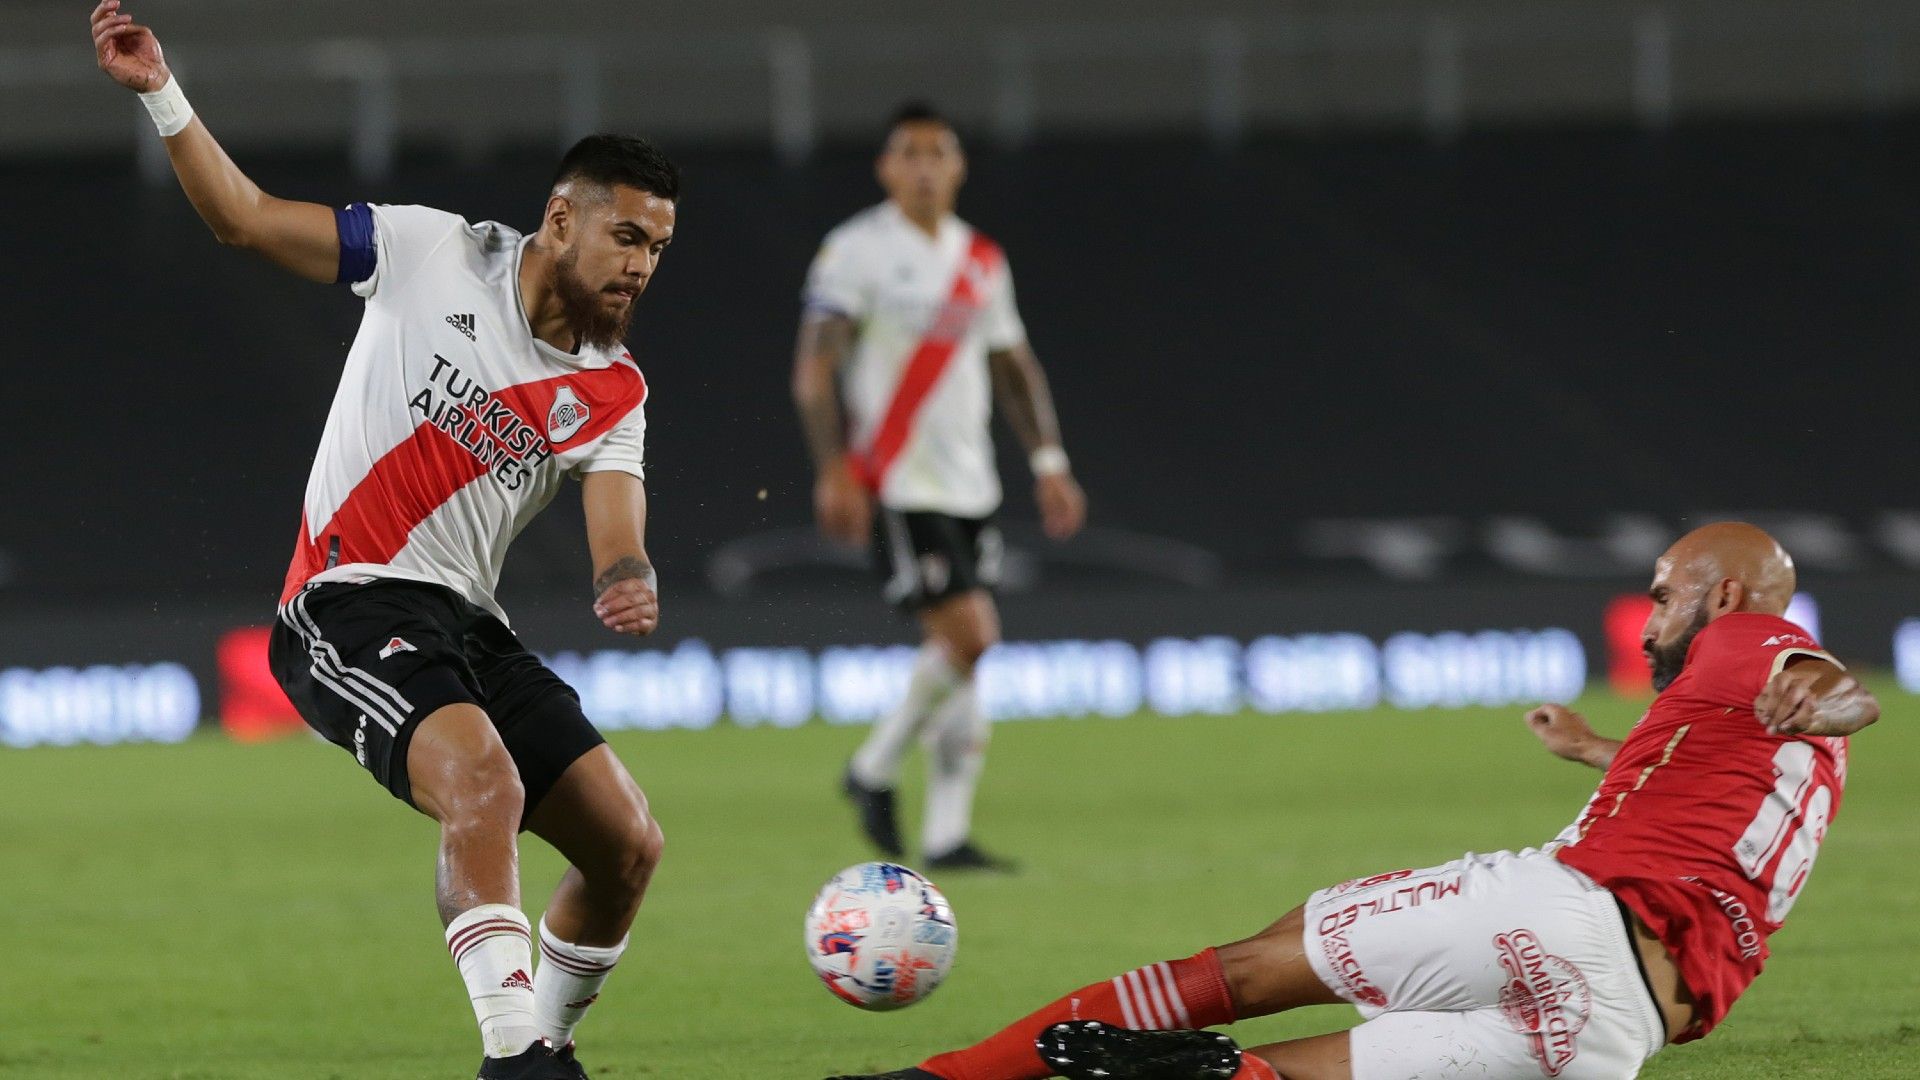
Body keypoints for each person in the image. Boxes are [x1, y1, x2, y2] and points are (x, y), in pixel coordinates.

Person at [92, 4, 678, 1077]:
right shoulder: (428, 251)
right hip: (347, 600)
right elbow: (246, 218)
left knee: (627, 844)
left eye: (658, 249)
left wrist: (627, 575)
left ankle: (542, 1038)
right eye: (628, 237)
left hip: (470, 626)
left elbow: (618, 524)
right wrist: (161, 93)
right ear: (561, 218)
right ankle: (516, 1057)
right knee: (483, 786)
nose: (643, 267)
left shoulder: (613, 387)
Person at [829, 522, 1879, 1080]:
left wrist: (1826, 692)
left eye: (1663, 594)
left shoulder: (1756, 645)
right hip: (1614, 1041)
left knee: (1246, 967)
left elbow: (1832, 687)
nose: (1651, 623)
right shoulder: (1767, 756)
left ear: (1726, 596)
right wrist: (1601, 747)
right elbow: (1698, 805)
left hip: (1566, 914)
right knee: (1282, 1077)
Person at [793, 103, 1087, 872]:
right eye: (908, 153)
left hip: (971, 482)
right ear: (886, 168)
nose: (924, 165)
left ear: (957, 167)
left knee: (958, 653)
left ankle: (948, 835)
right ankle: (872, 770)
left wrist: (1049, 461)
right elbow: (816, 366)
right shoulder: (854, 251)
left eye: (938, 153)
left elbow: (1014, 367)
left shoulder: (982, 260)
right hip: (897, 479)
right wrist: (832, 467)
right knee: (972, 635)